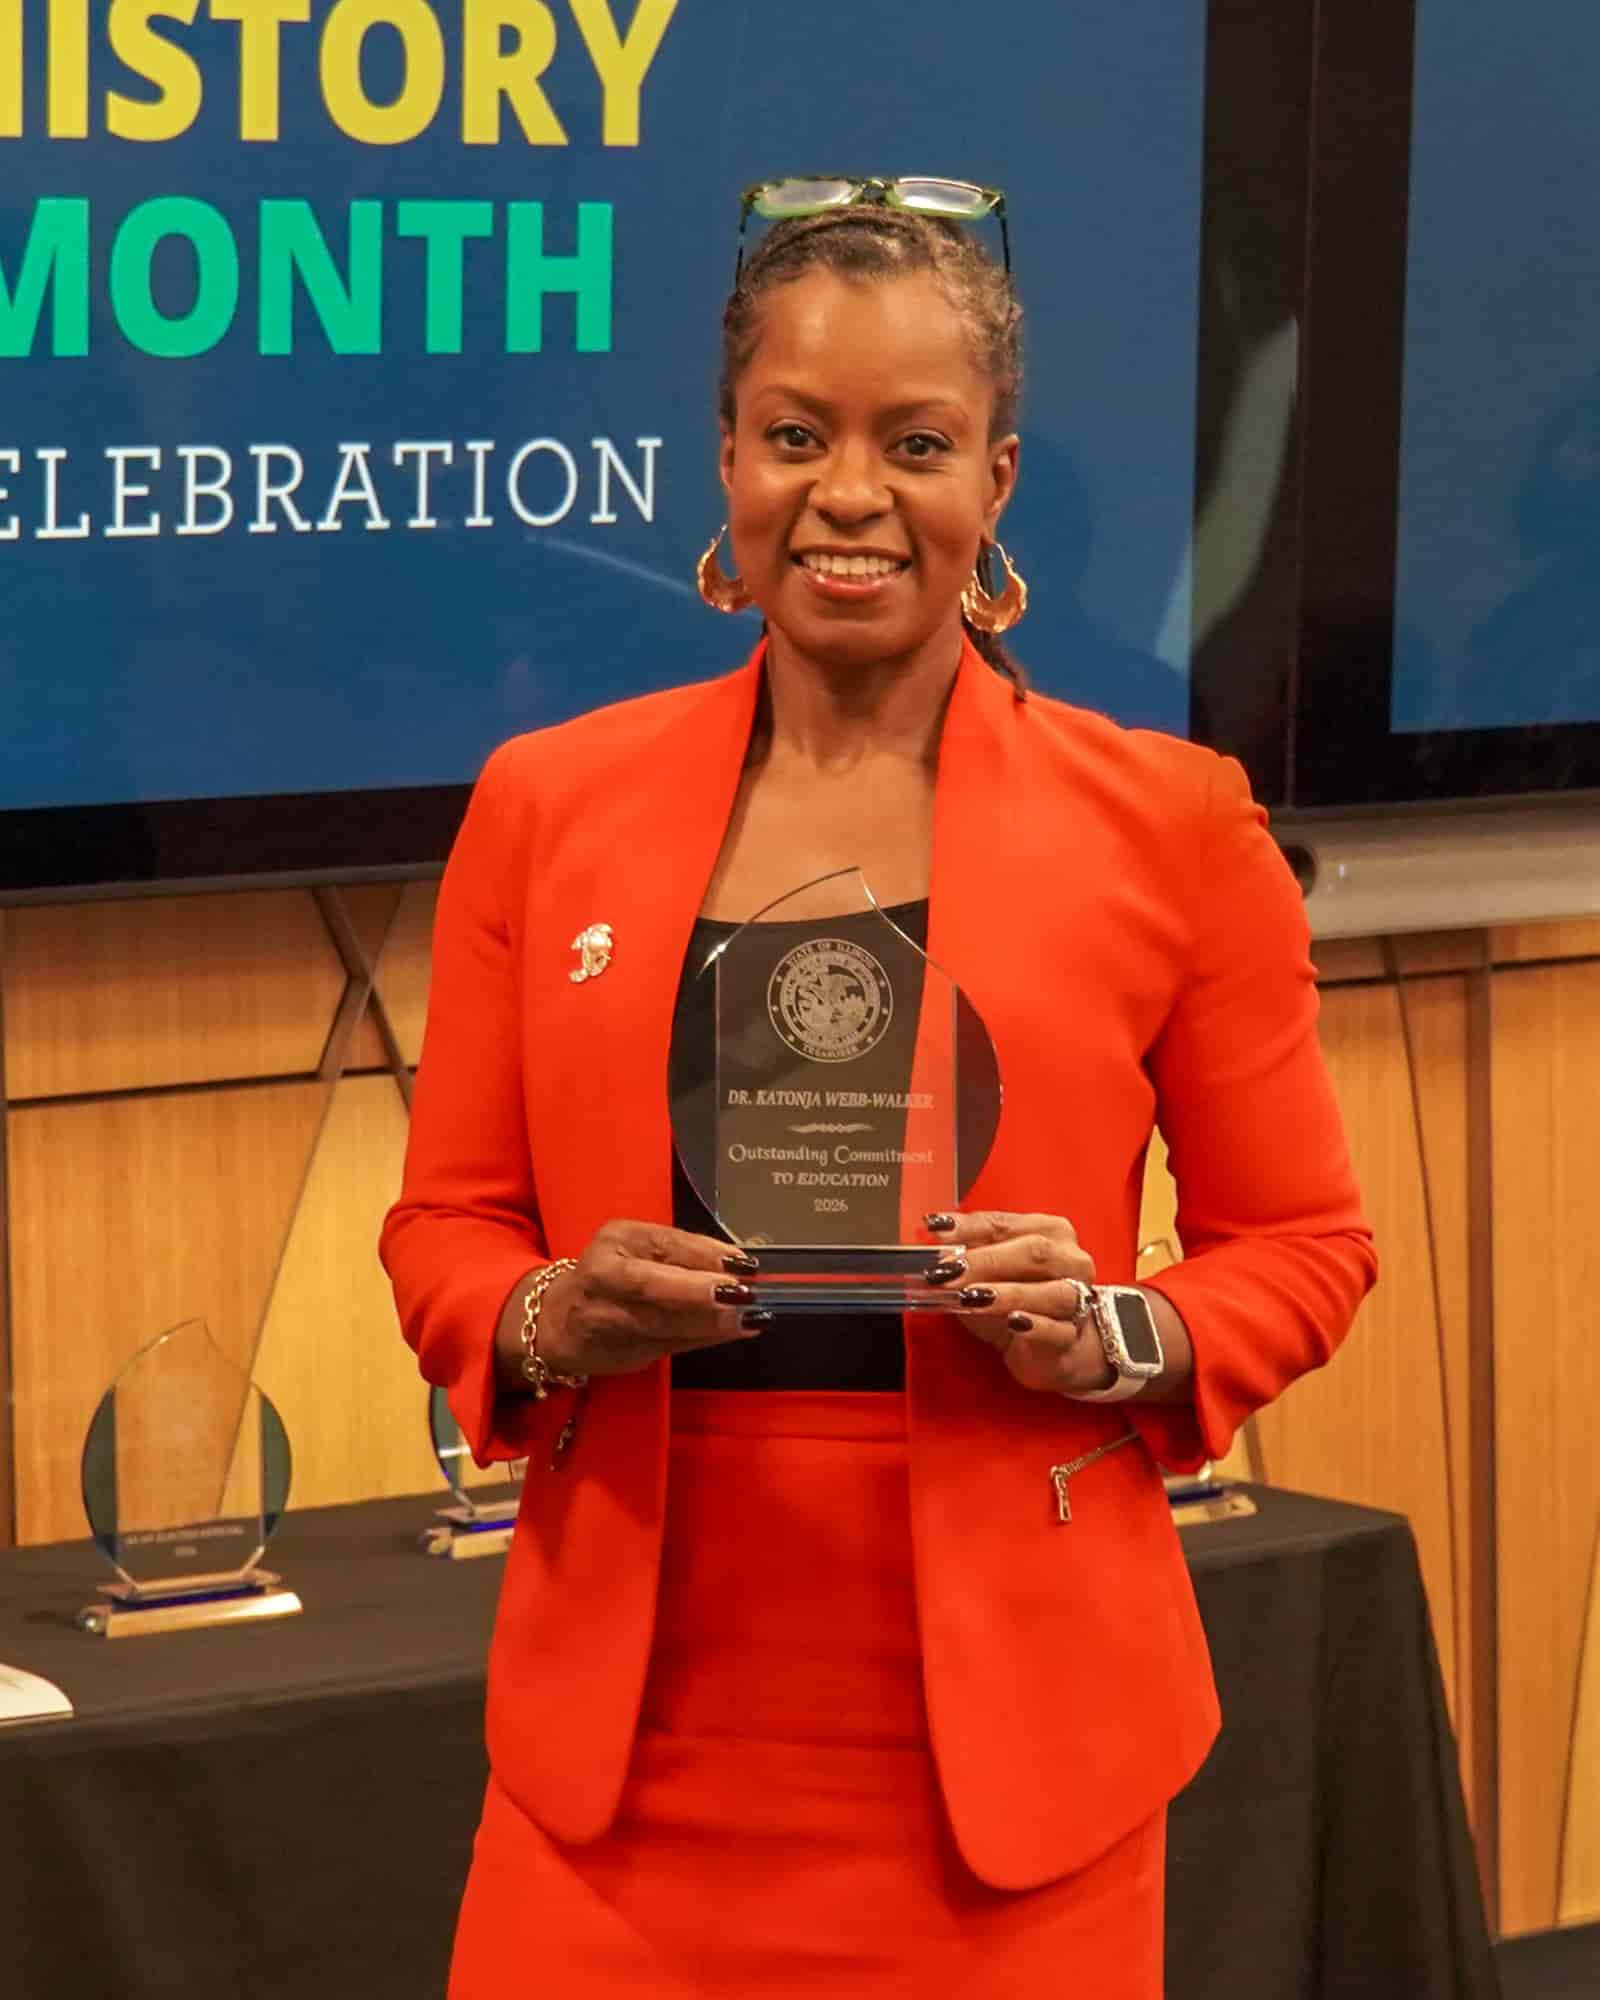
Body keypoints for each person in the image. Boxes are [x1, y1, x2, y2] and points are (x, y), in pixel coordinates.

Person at [380, 176, 1377, 1998]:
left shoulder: (1174, 824)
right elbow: (446, 1224)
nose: (849, 494)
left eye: (916, 441)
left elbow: (1302, 1247)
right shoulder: (544, 807)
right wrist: (544, 1315)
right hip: (622, 1761)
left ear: (996, 481)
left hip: (1016, 1772)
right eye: (795, 435)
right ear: (727, 465)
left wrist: (1118, 1338)